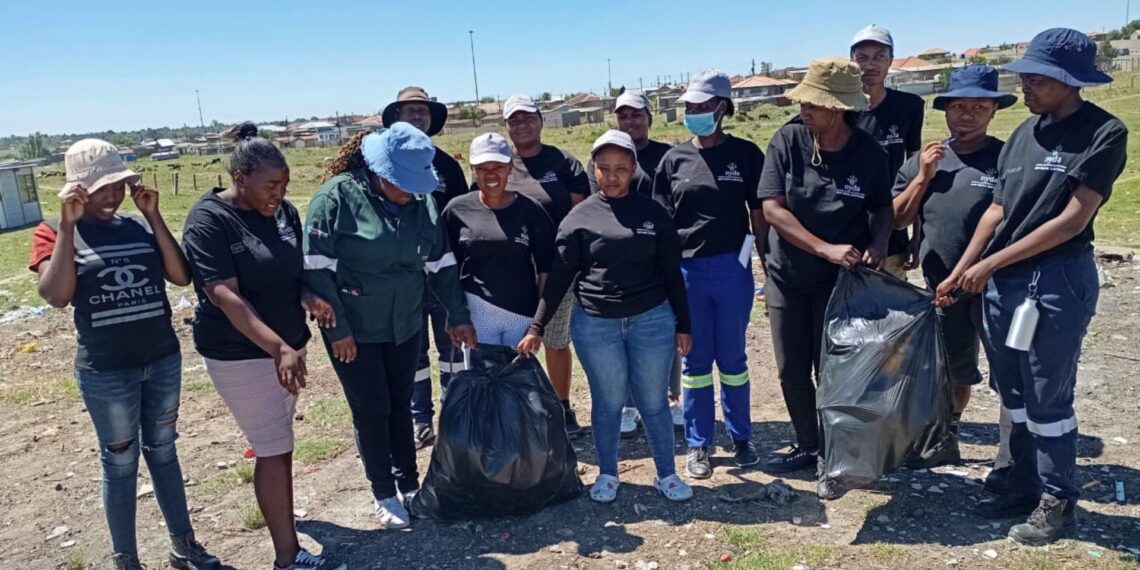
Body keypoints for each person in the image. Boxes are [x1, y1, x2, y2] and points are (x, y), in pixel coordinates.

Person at [935, 28, 1128, 545]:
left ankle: (1058, 501)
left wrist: (990, 264)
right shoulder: (1023, 133)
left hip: (1056, 279)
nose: (1026, 87)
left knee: (1047, 395)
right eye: (1025, 78)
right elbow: (997, 210)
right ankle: (1020, 483)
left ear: (1069, 82)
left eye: (1038, 80)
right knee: (1013, 391)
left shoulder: (1103, 133)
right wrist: (963, 269)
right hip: (1006, 283)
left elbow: (1071, 220)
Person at [29, 139, 220, 570]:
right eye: (103, 188)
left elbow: (180, 276)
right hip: (107, 371)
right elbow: (56, 295)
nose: (113, 196)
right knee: (119, 462)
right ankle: (126, 559)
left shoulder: (137, 225)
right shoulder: (52, 231)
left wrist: (153, 215)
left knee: (164, 450)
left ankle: (184, 546)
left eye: (119, 186)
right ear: (78, 189)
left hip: (162, 359)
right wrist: (67, 227)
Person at [182, 124, 344, 570]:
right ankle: (288, 557)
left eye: (284, 185)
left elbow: (289, 272)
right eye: (271, 185)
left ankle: (286, 533)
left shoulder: (283, 213)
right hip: (244, 354)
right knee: (273, 447)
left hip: (286, 349)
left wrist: (307, 296)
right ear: (241, 178)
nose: (280, 194)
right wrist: (278, 349)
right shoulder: (209, 221)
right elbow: (224, 295)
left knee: (279, 442)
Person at [304, 123, 477, 529]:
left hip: (405, 323)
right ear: (381, 173)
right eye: (404, 185)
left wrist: (457, 314)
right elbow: (317, 272)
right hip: (355, 331)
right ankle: (383, 491)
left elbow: (441, 264)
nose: (411, 194)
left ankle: (409, 484)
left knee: (400, 404)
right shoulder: (336, 199)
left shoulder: (422, 203)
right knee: (372, 410)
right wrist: (337, 330)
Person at [519, 130, 694, 503]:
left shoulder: (654, 214)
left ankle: (667, 474)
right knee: (609, 402)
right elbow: (560, 276)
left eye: (621, 169)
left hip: (652, 320)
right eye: (604, 168)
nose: (612, 176)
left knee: (653, 401)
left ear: (633, 169)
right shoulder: (578, 218)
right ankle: (608, 474)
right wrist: (537, 326)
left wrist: (684, 324)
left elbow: (671, 273)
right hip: (596, 325)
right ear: (593, 169)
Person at [757, 58, 893, 487]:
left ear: (838, 108)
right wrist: (823, 247)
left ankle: (837, 453)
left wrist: (878, 243)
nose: (804, 110)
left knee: (833, 369)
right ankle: (808, 444)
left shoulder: (869, 153)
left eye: (813, 104)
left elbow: (882, 207)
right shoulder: (788, 140)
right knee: (791, 368)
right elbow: (772, 208)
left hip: (839, 284)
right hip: (788, 276)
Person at [892, 65, 1017, 469]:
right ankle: (947, 435)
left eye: (979, 107)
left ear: (994, 110)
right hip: (943, 288)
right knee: (952, 368)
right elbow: (898, 219)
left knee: (1010, 371)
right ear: (945, 110)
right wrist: (923, 177)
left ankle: (1014, 455)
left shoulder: (1006, 158)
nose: (968, 115)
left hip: (996, 285)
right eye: (959, 106)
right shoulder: (927, 159)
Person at [652, 69, 766, 479]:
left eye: (702, 105)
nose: (694, 112)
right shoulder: (673, 160)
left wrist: (764, 261)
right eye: (689, 106)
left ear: (722, 108)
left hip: (732, 268)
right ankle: (699, 443)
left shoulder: (747, 154)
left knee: (733, 358)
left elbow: (759, 213)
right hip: (687, 272)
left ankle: (741, 437)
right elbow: (660, 222)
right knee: (695, 360)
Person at [587, 90, 685, 437]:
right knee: (623, 332)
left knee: (664, 328)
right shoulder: (601, 158)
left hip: (659, 252)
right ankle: (629, 405)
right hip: (620, 258)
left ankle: (670, 398)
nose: (630, 121)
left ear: (649, 118)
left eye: (636, 115)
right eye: (623, 115)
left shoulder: (667, 155)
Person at [381, 86, 470, 450]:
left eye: (423, 110)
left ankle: (454, 415)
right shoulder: (383, 165)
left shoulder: (447, 165)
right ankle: (420, 420)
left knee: (453, 348)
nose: (418, 115)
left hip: (444, 275)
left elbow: (462, 218)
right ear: (396, 117)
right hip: (402, 279)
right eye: (410, 110)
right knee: (412, 353)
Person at [504, 93, 591, 437]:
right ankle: (520, 411)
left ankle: (561, 406)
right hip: (512, 268)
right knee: (514, 340)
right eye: (514, 120)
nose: (522, 125)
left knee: (555, 339)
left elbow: (579, 214)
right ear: (506, 126)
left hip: (556, 268)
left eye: (528, 117)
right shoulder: (500, 161)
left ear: (541, 120)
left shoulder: (563, 162)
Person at [442, 133, 555, 346]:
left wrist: (537, 325)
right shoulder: (456, 210)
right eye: (482, 168)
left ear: (510, 168)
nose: (491, 174)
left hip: (521, 314)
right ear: (472, 170)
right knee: (480, 369)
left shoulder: (530, 210)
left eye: (499, 167)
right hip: (476, 314)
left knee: (518, 369)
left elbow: (546, 270)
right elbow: (447, 269)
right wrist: (455, 315)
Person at [850, 24, 926, 277]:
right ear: (852, 62)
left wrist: (917, 234)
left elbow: (916, 172)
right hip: (846, 234)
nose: (870, 65)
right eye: (862, 58)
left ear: (891, 61)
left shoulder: (909, 107)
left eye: (879, 57)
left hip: (893, 230)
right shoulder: (840, 111)